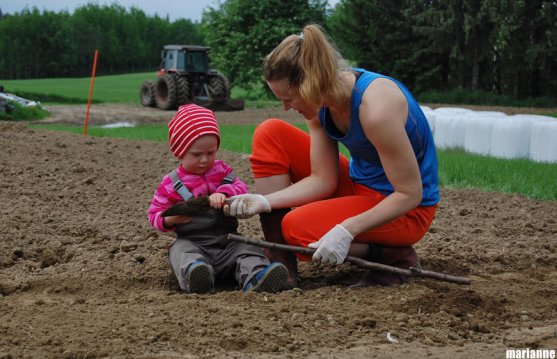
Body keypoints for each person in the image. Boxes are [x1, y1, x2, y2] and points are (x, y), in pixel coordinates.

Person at [224, 24, 439, 288]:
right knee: (270, 133)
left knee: (295, 229)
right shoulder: (321, 105)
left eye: (289, 98)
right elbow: (323, 180)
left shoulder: (376, 109)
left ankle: (395, 257)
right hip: (361, 187)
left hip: (406, 209)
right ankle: (280, 257)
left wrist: (347, 229)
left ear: (312, 82)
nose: (286, 107)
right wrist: (264, 201)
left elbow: (410, 194)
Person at [148, 104, 288, 294]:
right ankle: (197, 276)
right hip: (193, 243)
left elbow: (241, 187)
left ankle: (256, 277)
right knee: (180, 252)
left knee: (249, 248)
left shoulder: (223, 172)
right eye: (196, 154)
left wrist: (224, 192)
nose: (205, 160)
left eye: (211, 153)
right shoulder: (170, 184)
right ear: (179, 151)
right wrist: (169, 220)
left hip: (228, 242)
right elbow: (154, 214)